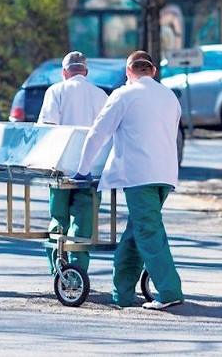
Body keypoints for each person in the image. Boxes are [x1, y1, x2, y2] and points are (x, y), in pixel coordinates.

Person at [73, 50, 184, 310]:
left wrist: (82, 169)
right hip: (165, 174)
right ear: (153, 71)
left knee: (147, 231)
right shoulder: (169, 96)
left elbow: (97, 133)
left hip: (139, 175)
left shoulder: (124, 95)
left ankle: (169, 291)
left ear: (128, 72)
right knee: (136, 232)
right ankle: (121, 293)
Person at [37, 51, 108, 275]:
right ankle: (78, 271)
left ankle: (57, 268)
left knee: (58, 218)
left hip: (60, 168)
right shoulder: (101, 95)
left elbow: (47, 128)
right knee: (84, 221)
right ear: (85, 71)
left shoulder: (55, 91)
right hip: (92, 170)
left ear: (64, 72)